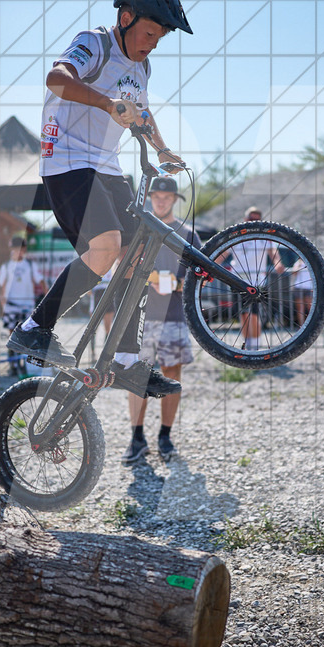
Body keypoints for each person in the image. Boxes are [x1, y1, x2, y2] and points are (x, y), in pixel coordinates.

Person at [6, 0, 193, 400]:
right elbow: (56, 78)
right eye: (148, 32)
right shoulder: (96, 42)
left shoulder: (142, 67)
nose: (152, 43)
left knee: (135, 257)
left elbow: (142, 113)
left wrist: (162, 149)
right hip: (68, 161)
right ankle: (35, 328)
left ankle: (127, 361)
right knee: (106, 247)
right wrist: (107, 103)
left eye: (159, 38)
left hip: (107, 167)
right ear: (126, 17)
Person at [123, 177, 201, 464]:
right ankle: (136, 436)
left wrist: (174, 283)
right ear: (151, 197)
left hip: (173, 317)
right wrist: (148, 279)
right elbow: (124, 267)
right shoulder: (140, 231)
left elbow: (198, 276)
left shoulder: (188, 234)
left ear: (175, 199)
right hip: (140, 315)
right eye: (156, 195)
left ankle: (165, 436)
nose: (161, 200)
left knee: (172, 376)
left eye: (166, 196)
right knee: (136, 377)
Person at [219, 206, 285, 351]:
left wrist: (278, 264)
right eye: (251, 219)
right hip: (236, 280)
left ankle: (255, 345)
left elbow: (273, 251)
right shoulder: (236, 236)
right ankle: (247, 344)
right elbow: (222, 254)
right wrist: (210, 267)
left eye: (257, 219)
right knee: (243, 314)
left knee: (253, 313)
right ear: (245, 220)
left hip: (257, 281)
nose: (254, 222)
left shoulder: (264, 238)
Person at [0, 236, 45, 377]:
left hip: (27, 306)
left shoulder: (30, 265)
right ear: (12, 249)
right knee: (13, 336)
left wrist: (47, 297)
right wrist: (1, 299)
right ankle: (13, 365)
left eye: (22, 249)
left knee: (27, 335)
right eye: (16, 249)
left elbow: (40, 280)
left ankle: (25, 365)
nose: (19, 252)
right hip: (11, 306)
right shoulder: (6, 266)